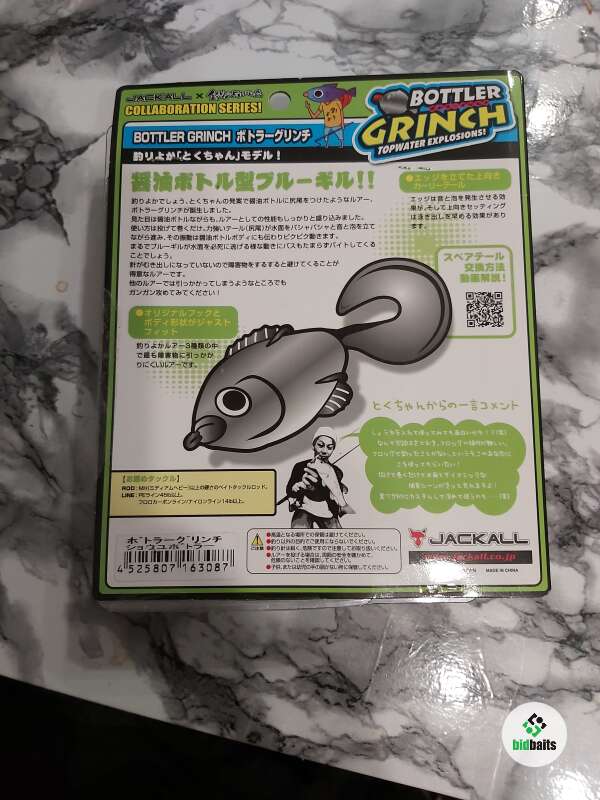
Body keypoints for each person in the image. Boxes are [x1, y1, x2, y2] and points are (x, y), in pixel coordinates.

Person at [286, 427, 352, 528]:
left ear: (333, 450)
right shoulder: (299, 466)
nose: (324, 451)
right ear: (313, 446)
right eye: (320, 445)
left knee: (338, 536)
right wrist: (295, 488)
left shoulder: (337, 472)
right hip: (304, 509)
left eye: (329, 447)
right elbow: (289, 490)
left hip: (327, 512)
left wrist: (318, 485)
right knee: (298, 532)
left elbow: (334, 492)